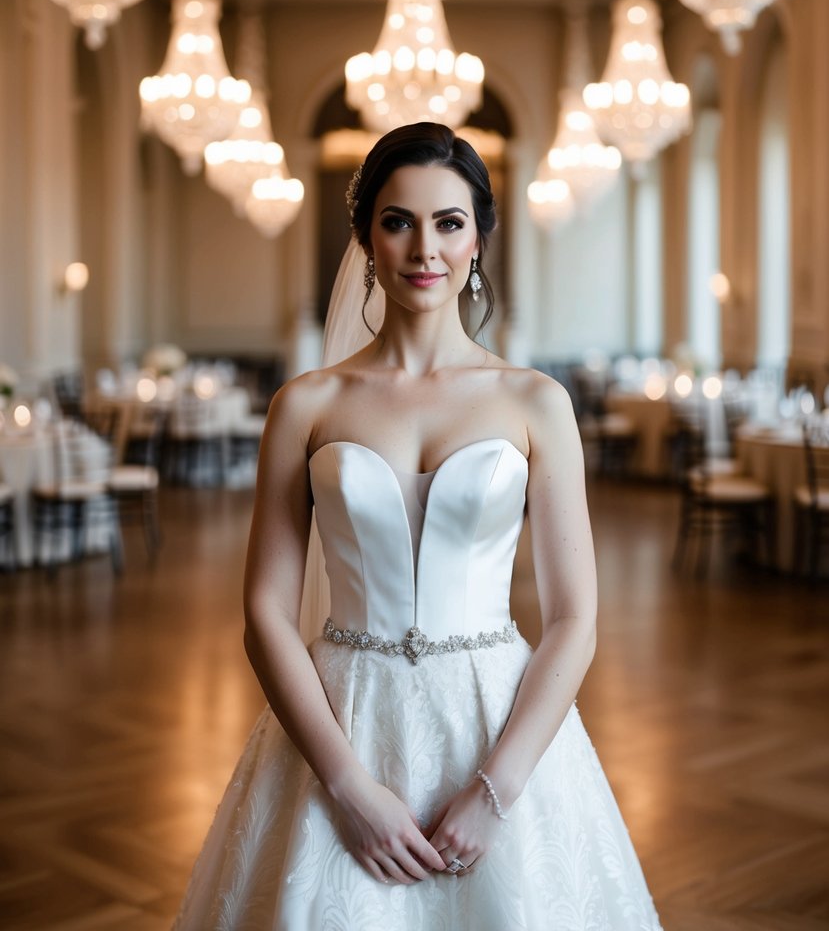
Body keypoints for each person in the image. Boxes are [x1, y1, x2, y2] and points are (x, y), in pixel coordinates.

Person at [173, 121, 662, 930]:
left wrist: (494, 792)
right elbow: (265, 615)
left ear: (478, 240)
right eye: (398, 221)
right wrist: (349, 787)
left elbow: (574, 621)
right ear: (365, 236)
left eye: (449, 222)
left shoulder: (535, 402)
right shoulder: (305, 405)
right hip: (343, 720)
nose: (423, 248)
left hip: (495, 719)